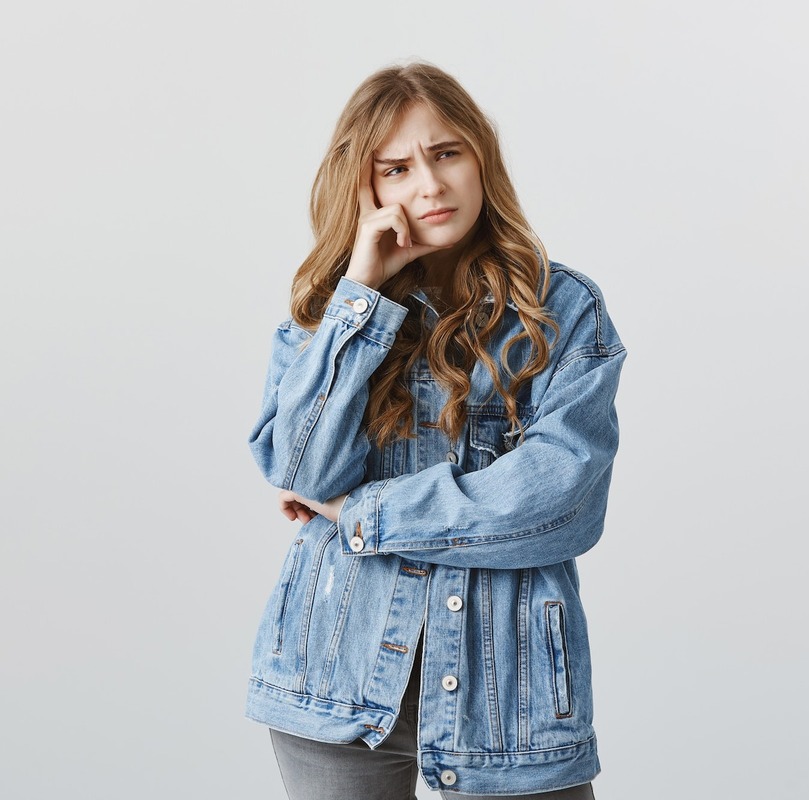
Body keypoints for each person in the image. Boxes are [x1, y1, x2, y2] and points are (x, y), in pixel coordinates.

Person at [244, 61, 626, 799]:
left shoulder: (563, 310)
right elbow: (301, 471)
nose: (430, 185)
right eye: (396, 168)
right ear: (364, 188)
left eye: (446, 153)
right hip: (331, 680)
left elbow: (557, 503)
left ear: (480, 156)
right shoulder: (330, 311)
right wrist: (363, 295)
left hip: (512, 698)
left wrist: (361, 513)